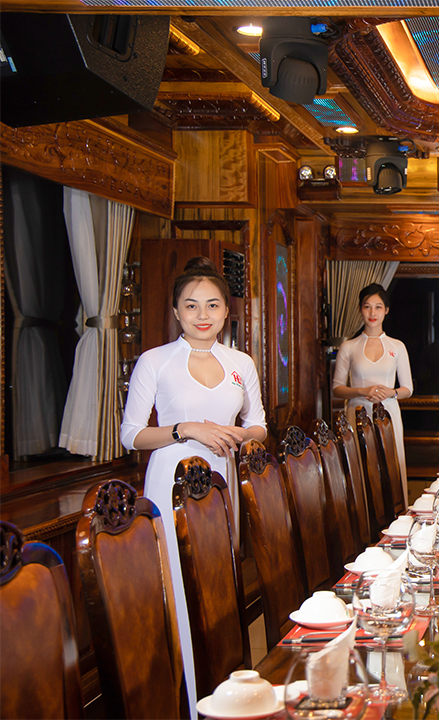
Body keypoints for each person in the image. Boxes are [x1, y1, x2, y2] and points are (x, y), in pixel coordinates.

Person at [120, 256, 267, 719]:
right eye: (191, 305)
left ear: (226, 312)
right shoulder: (155, 361)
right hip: (171, 480)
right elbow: (131, 434)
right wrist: (187, 429)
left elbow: (259, 424)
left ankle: (222, 693)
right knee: (180, 589)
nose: (202, 315)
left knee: (220, 583)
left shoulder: (241, 363)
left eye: (212, 305)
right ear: (176, 312)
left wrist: (235, 434)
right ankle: (187, 703)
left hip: (222, 481)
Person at [333, 283, 413, 501]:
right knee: (360, 470)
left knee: (390, 469)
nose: (372, 313)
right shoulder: (349, 347)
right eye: (367, 307)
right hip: (357, 412)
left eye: (378, 307)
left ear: (386, 310)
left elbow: (407, 389)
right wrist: (362, 390)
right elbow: (337, 388)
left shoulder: (397, 346)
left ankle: (395, 515)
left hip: (389, 414)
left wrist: (391, 392)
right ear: (360, 309)